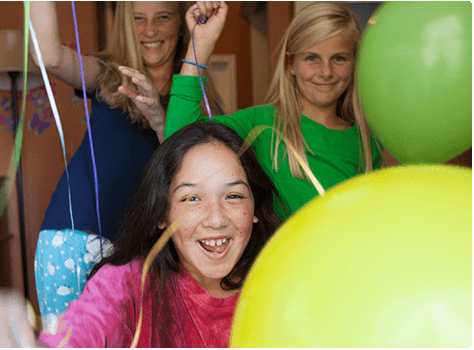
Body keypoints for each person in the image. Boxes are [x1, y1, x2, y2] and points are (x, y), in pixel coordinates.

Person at [0, 122, 286, 348]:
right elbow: (82, 334)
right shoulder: (127, 284)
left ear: (255, 207)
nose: (215, 219)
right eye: (191, 198)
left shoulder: (281, 284)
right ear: (161, 213)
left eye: (233, 196)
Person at [31, 1, 224, 331]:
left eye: (162, 17)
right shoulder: (110, 74)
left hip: (145, 254)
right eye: (138, 19)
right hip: (76, 237)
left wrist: (161, 122)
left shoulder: (195, 99)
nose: (150, 30)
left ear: (181, 25)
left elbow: (203, 174)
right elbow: (48, 55)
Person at [121, 1, 389, 218]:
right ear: (290, 64)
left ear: (355, 63)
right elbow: (179, 137)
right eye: (311, 58)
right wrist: (199, 46)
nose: (326, 71)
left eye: (339, 59)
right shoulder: (262, 124)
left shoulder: (367, 141)